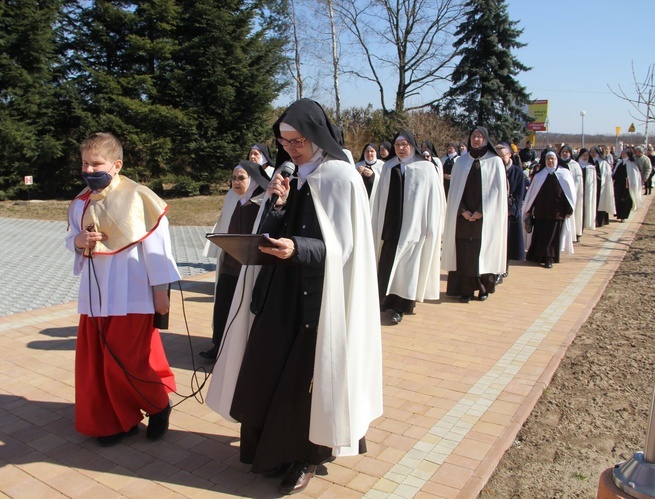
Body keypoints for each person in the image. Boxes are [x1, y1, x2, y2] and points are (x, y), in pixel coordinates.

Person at [206, 99, 382, 495]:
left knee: (306, 383)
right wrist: (276, 203)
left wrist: (297, 249)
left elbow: (345, 249)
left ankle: (307, 456)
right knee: (267, 370)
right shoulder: (293, 175)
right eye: (283, 141)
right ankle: (268, 451)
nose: (289, 148)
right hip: (278, 295)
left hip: (319, 302)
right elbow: (269, 231)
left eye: (296, 140)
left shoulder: (341, 177)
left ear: (316, 135)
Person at [66, 132, 181, 447]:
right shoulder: (80, 203)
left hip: (133, 294)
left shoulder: (139, 197)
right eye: (85, 164)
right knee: (99, 363)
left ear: (116, 165)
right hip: (95, 296)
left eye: (97, 164)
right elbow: (72, 239)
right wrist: (78, 242)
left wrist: (161, 292)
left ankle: (159, 406)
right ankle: (117, 421)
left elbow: (158, 250)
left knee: (128, 360)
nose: (90, 170)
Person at [371, 130, 445, 324]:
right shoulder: (389, 167)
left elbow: (434, 200)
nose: (401, 148)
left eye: (404, 144)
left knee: (407, 270)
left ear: (412, 145)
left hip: (414, 228)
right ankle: (385, 301)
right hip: (391, 225)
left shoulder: (426, 168)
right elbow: (379, 198)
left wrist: (431, 225)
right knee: (386, 265)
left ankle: (401, 306)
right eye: (397, 145)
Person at [200, 161, 270, 360]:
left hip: (249, 267)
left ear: (254, 180)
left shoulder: (264, 201)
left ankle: (242, 350)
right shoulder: (233, 198)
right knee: (223, 306)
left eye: (241, 178)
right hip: (229, 264)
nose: (236, 182)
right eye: (233, 178)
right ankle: (218, 345)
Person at [442, 126, 507, 303]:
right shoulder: (461, 162)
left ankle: (483, 288)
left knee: (482, 251)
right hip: (462, 218)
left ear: (485, 139)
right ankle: (465, 290)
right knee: (464, 254)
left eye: (479, 136)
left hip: (484, 218)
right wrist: (462, 211)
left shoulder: (495, 162)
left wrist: (481, 211)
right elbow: (454, 191)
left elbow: (496, 191)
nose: (476, 139)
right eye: (473, 136)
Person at [523, 150, 576, 268]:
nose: (550, 161)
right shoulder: (539, 176)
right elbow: (533, 195)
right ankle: (536, 256)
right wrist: (529, 209)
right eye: (548, 159)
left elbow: (569, 194)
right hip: (541, 212)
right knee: (540, 235)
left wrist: (569, 210)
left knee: (552, 237)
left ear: (556, 160)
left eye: (552, 159)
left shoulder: (565, 174)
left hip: (557, 213)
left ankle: (549, 258)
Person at [494, 142, 525, 281]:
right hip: (494, 211)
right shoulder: (493, 170)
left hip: (508, 212)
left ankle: (503, 268)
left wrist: (511, 210)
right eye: (497, 156)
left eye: (503, 156)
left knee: (506, 242)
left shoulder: (517, 171)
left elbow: (520, 193)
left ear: (509, 155)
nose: (500, 159)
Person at [559, 145, 584, 242]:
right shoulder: (558, 163)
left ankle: (574, 234)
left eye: (567, 152)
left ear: (570, 153)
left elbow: (578, 181)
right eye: (563, 152)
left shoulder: (575, 165)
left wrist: (571, 191)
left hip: (572, 194)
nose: (564, 154)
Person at [612, 148, 643, 221]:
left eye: (624, 154)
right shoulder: (619, 162)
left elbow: (635, 175)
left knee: (626, 200)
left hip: (628, 185)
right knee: (618, 198)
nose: (623, 155)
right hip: (618, 184)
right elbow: (615, 173)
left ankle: (623, 216)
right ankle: (619, 214)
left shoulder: (632, 163)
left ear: (628, 154)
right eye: (622, 154)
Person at [591, 146, 615, 227]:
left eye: (594, 152)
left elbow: (607, 175)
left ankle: (601, 221)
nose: (593, 154)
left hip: (601, 186)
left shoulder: (604, 163)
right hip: (592, 187)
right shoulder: (590, 162)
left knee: (601, 203)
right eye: (592, 152)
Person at [577, 148, 597, 231]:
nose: (585, 157)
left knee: (585, 209)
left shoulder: (591, 167)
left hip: (587, 192)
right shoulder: (576, 165)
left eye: (587, 155)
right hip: (578, 192)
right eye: (584, 155)